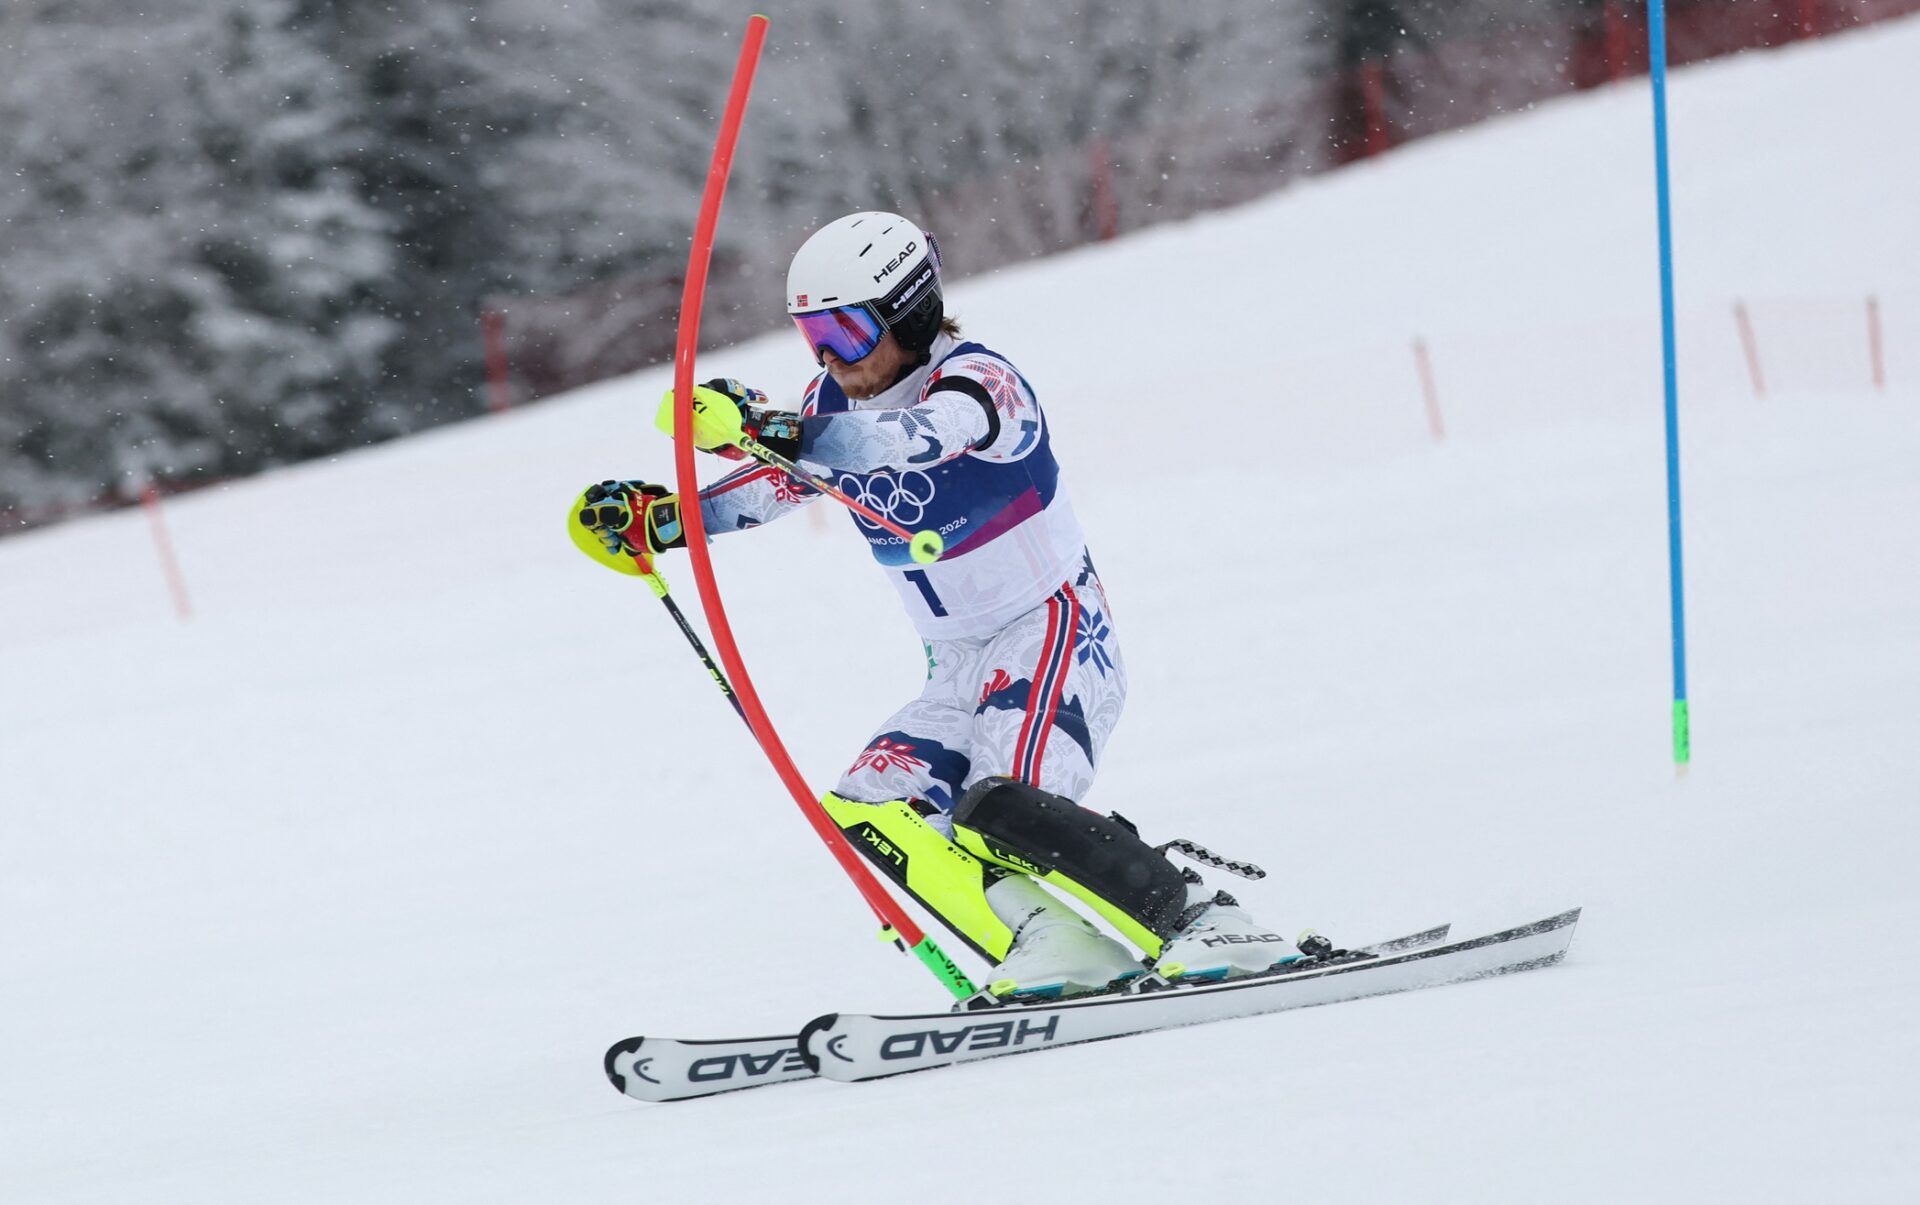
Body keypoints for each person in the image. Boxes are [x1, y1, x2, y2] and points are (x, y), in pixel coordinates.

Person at [572, 211, 1303, 999]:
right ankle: (1056, 943)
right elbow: (779, 480)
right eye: (813, 334)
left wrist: (772, 426)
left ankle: (1205, 920)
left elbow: (911, 438)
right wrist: (663, 522)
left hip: (1050, 628)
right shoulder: (831, 404)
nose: (829, 357)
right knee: (868, 809)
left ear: (910, 312)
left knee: (1002, 804)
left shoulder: (983, 384)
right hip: (956, 662)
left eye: (847, 332)